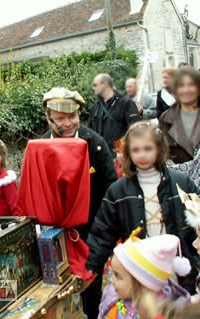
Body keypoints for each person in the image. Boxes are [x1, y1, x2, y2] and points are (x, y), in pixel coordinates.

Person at [87, 121, 200, 298]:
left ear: (159, 149)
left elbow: (197, 220)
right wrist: (91, 267)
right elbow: (103, 233)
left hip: (177, 267)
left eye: (148, 149)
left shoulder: (181, 182)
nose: (142, 155)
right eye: (136, 150)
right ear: (128, 153)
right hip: (141, 268)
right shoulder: (118, 191)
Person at [41, 87, 118, 319]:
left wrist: (102, 229)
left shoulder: (95, 142)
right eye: (60, 119)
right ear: (48, 118)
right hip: (56, 233)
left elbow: (110, 187)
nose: (67, 123)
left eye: (72, 117)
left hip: (92, 230)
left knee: (90, 287)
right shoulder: (40, 146)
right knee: (58, 289)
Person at [97, 234, 191, 319]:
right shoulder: (112, 298)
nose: (111, 280)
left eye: (118, 276)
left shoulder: (164, 311)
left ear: (140, 282)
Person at [88, 73, 141, 156]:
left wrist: (119, 150)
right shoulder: (95, 108)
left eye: (95, 85)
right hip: (102, 157)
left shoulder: (126, 103)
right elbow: (90, 133)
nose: (93, 88)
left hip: (121, 157)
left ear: (104, 84)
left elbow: (135, 130)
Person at [159, 67, 200, 164]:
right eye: (181, 85)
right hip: (179, 177)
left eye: (191, 85)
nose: (186, 90)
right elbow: (160, 153)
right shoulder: (166, 119)